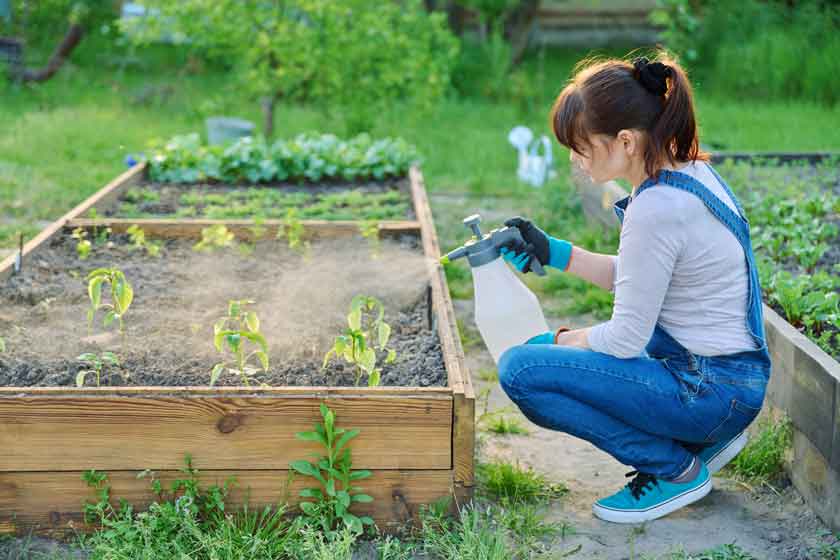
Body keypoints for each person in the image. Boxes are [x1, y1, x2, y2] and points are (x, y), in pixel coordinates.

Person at [497, 53, 771, 524]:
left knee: (522, 369)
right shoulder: (690, 173)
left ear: (625, 141)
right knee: (545, 357)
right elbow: (645, 278)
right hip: (728, 384)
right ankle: (699, 439)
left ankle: (674, 468)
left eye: (582, 147)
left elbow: (624, 339)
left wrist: (562, 342)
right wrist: (556, 252)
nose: (575, 160)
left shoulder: (656, 208)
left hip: (705, 391)